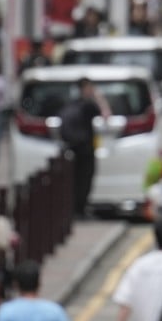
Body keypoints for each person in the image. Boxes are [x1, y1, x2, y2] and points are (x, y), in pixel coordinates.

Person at [58, 77, 111, 218]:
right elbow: (106, 114)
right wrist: (99, 97)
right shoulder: (88, 105)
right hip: (85, 150)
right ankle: (80, 211)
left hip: (72, 149)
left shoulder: (69, 104)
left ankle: (75, 210)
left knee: (75, 181)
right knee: (84, 181)